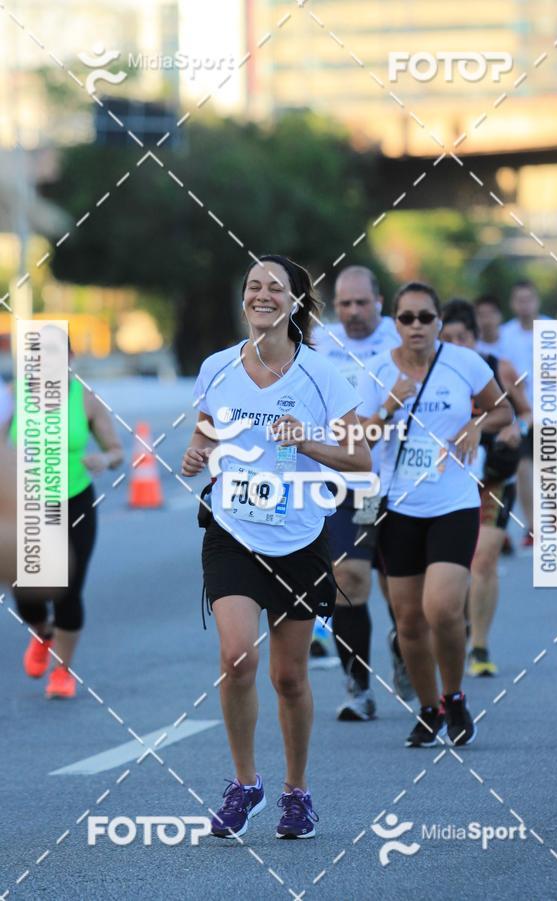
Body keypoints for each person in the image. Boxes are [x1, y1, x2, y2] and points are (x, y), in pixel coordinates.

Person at [183, 254, 370, 840]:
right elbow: (206, 428)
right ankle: (245, 785)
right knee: (237, 657)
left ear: (294, 302)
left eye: (275, 288)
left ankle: (297, 792)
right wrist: (196, 451)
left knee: (290, 677)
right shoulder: (217, 367)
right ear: (244, 299)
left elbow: (359, 460)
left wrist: (310, 444)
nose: (262, 294)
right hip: (232, 532)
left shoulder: (324, 376)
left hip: (298, 537)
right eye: (253, 286)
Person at [357, 282, 512, 747]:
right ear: (396, 323)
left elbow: (504, 412)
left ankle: (456, 697)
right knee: (407, 620)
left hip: (454, 502)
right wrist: (389, 404)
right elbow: (359, 438)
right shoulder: (379, 370)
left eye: (426, 317)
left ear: (439, 321)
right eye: (407, 318)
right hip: (398, 505)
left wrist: (475, 423)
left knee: (441, 608)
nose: (417, 326)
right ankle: (429, 709)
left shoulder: (463, 363)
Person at [313, 265, 413, 720]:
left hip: (399, 484)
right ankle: (358, 686)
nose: (353, 312)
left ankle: (404, 644)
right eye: (344, 303)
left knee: (400, 594)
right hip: (344, 485)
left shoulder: (405, 337)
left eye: (362, 303)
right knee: (349, 579)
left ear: (380, 301)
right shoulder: (318, 344)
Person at [6, 329, 124, 699]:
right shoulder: (12, 397)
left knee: (69, 591)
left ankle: (63, 671)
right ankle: (43, 634)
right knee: (26, 594)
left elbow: (117, 448)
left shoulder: (85, 398)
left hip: (75, 500)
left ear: (70, 357)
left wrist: (104, 459)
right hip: (26, 503)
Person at [441, 300, 531, 676]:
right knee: (455, 566)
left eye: (463, 337)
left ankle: (478, 646)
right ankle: (457, 625)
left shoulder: (498, 369)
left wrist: (515, 428)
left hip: (493, 476)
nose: (457, 345)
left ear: (477, 339)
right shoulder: (433, 374)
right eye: (448, 338)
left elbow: (524, 410)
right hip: (448, 482)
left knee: (484, 559)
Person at [500, 281, 552, 548]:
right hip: (519, 413)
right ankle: (532, 525)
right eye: (519, 300)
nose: (524, 305)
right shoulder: (504, 335)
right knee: (522, 468)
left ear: (537, 301)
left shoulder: (552, 330)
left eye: (528, 299)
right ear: (512, 303)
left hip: (549, 412)